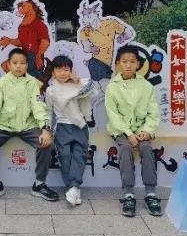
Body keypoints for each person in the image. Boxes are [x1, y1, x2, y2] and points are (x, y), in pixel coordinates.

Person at [0, 48, 57, 202]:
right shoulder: (2, 82)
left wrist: (45, 129)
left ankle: (39, 183)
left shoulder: (32, 83)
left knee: (46, 143)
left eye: (22, 63)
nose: (18, 66)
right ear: (8, 65)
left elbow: (38, 107)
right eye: (15, 63)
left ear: (27, 66)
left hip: (27, 126)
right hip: (4, 126)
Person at [105, 45, 162, 217]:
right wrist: (128, 134)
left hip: (141, 130)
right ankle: (128, 193)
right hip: (121, 131)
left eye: (132, 62)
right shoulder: (112, 87)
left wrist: (147, 131)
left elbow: (153, 113)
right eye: (124, 62)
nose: (128, 65)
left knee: (146, 148)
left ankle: (150, 193)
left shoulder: (146, 86)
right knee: (125, 148)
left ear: (138, 64)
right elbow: (113, 115)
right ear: (117, 64)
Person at [43, 54, 95, 207]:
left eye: (66, 70)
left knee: (79, 156)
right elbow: (48, 112)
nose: (63, 73)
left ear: (71, 71)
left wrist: (77, 81)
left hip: (80, 126)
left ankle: (74, 188)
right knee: (65, 157)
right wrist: (47, 129)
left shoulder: (78, 85)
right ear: (53, 72)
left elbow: (93, 90)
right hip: (62, 126)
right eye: (59, 70)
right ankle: (73, 188)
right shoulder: (51, 91)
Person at [0, 0, 50, 79]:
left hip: (33, 55)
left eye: (24, 6)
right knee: (5, 65)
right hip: (24, 55)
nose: (21, 8)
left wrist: (38, 56)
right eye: (21, 6)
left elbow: (45, 42)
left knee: (10, 66)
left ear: (31, 7)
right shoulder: (22, 26)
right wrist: (9, 40)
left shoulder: (39, 24)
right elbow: (21, 42)